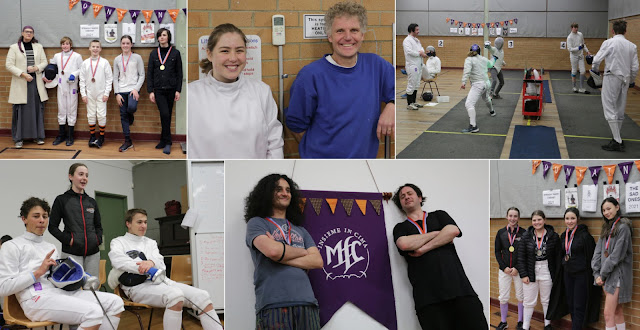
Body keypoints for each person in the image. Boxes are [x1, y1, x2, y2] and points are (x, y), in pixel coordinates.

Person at [285, 1, 395, 158]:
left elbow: (400, 89)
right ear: (330, 36)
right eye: (340, 31)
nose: (348, 37)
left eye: (354, 30)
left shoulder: (376, 66)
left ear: (362, 35)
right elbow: (296, 126)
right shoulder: (310, 76)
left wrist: (392, 105)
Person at [0, 197, 123, 329]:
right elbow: (4, 288)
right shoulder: (11, 246)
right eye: (36, 216)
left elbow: (57, 282)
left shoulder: (50, 247)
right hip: (35, 299)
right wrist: (37, 273)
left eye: (45, 216)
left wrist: (75, 276)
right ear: (24, 219)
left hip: (59, 294)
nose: (42, 220)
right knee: (93, 312)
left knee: (116, 302)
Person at [392, 183, 487, 329]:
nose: (406, 197)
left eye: (409, 193)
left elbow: (453, 231)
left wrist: (423, 248)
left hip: (460, 291)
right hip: (428, 301)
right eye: (402, 197)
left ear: (419, 197)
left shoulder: (439, 215)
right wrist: (436, 233)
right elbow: (404, 244)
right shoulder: (400, 228)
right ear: (401, 204)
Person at [108, 209, 222, 330]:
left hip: (161, 282)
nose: (143, 226)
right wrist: (144, 267)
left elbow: (161, 265)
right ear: (128, 224)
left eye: (145, 222)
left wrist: (151, 262)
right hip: (135, 287)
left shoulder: (151, 243)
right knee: (175, 296)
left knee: (202, 296)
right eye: (139, 222)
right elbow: (118, 261)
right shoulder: (118, 242)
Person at [188, 23, 284, 159]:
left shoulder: (262, 92)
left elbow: (274, 145)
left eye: (239, 50)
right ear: (209, 54)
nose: (233, 58)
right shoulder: (191, 95)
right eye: (225, 51)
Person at [244, 174, 323, 329]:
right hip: (273, 305)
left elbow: (317, 262)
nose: (285, 193)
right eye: (278, 189)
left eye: (288, 190)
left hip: (307, 303)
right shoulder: (257, 223)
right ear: (266, 193)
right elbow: (273, 251)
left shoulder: (301, 230)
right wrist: (303, 252)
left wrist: (281, 254)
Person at [547, 208, 601, 329]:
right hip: (567, 274)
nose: (570, 221)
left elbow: (591, 258)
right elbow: (560, 254)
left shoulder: (585, 236)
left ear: (578, 219)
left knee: (579, 305)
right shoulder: (564, 235)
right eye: (567, 218)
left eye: (572, 218)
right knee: (570, 304)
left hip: (581, 276)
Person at [591, 20, 639, 152]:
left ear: (613, 31)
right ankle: (617, 138)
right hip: (625, 79)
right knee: (619, 109)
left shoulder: (609, 42)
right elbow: (635, 67)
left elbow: (596, 60)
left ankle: (617, 141)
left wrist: (594, 71)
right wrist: (631, 81)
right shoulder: (632, 46)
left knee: (609, 108)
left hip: (612, 77)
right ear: (625, 31)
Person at [48, 163, 102, 278]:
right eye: (81, 174)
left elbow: (98, 226)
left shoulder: (91, 202)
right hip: (71, 252)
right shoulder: (61, 200)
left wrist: (97, 239)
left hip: (93, 253)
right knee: (71, 287)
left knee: (92, 287)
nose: (84, 178)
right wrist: (68, 240)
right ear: (71, 176)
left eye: (86, 175)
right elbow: (52, 227)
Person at [591, 197, 633, 330]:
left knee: (608, 314)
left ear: (617, 207)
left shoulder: (623, 228)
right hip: (605, 275)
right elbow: (597, 253)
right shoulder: (606, 227)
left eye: (609, 208)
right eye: (604, 210)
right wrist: (596, 272)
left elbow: (616, 256)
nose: (606, 212)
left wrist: (602, 275)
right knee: (616, 311)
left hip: (616, 275)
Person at [5, 26, 48, 148]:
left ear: (33, 34)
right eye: (27, 32)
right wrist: (23, 74)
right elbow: (8, 65)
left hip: (35, 83)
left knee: (36, 109)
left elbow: (44, 62)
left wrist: (35, 68)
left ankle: (38, 136)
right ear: (22, 33)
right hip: (21, 82)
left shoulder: (38, 47)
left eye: (31, 32)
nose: (29, 34)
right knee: (21, 110)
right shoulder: (14, 48)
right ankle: (19, 138)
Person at [517, 210, 560, 330]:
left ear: (544, 220)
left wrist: (555, 274)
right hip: (531, 270)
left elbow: (557, 257)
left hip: (547, 270)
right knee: (529, 300)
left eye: (539, 219)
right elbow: (520, 257)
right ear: (531, 222)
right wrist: (523, 274)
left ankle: (547, 324)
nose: (537, 222)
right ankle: (526, 326)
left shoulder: (553, 236)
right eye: (534, 220)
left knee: (546, 300)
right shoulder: (526, 236)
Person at [148, 28, 183, 155]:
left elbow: (179, 73)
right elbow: (150, 73)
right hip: (158, 90)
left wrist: (178, 90)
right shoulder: (153, 54)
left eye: (164, 35)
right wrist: (150, 91)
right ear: (157, 38)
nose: (162, 37)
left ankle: (163, 140)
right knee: (165, 115)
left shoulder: (175, 53)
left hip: (171, 89)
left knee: (166, 116)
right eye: (160, 35)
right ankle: (168, 142)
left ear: (168, 37)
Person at [47, 36, 83, 146]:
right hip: (61, 85)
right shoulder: (57, 56)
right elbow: (50, 67)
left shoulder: (77, 56)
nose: (65, 46)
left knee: (71, 109)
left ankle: (70, 136)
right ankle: (61, 135)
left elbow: (82, 69)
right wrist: (46, 75)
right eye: (63, 44)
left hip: (72, 85)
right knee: (61, 109)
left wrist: (74, 74)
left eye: (67, 44)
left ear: (70, 45)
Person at [494, 207, 525, 330]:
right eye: (510, 216)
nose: (513, 218)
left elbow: (525, 252)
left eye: (515, 216)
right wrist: (504, 267)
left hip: (519, 270)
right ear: (507, 217)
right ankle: (503, 322)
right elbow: (497, 251)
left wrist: (517, 267)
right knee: (503, 296)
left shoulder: (524, 233)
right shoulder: (501, 233)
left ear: (518, 218)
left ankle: (520, 321)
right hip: (504, 271)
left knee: (521, 296)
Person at [113, 35, 145, 152]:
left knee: (131, 108)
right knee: (123, 116)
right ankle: (127, 140)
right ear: (121, 45)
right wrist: (117, 93)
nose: (125, 45)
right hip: (121, 90)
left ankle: (131, 115)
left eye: (127, 43)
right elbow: (115, 77)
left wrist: (136, 89)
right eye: (123, 43)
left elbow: (142, 75)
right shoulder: (117, 59)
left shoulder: (137, 57)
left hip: (133, 89)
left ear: (131, 44)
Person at [79, 40, 112, 149]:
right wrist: (83, 94)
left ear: (100, 49)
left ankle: (101, 137)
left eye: (97, 47)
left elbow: (109, 79)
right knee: (91, 115)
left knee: (101, 115)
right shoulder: (85, 63)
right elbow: (82, 80)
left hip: (101, 93)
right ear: (89, 48)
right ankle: (92, 136)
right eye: (93, 46)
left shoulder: (104, 62)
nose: (95, 49)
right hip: (89, 94)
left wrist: (107, 93)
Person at [460, 44, 496, 133]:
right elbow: (491, 64)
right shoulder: (483, 59)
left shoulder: (469, 59)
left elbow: (467, 71)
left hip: (478, 84)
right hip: (487, 83)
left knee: (469, 104)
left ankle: (473, 126)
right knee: (486, 98)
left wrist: (463, 82)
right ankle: (492, 111)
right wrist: (494, 58)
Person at [403, 23, 427, 110]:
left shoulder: (417, 40)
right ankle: (409, 103)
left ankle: (414, 102)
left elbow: (422, 49)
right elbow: (409, 52)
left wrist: (422, 52)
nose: (418, 31)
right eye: (417, 30)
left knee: (416, 84)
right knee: (411, 84)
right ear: (412, 30)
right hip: (412, 65)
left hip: (419, 64)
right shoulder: (407, 40)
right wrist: (419, 53)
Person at [566, 23, 591, 94]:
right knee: (574, 71)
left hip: (580, 55)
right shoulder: (569, 37)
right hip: (573, 56)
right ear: (572, 28)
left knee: (583, 71)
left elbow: (583, 44)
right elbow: (570, 49)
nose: (576, 29)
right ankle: (574, 87)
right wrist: (578, 48)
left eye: (577, 27)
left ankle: (581, 88)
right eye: (575, 27)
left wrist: (587, 51)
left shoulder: (580, 34)